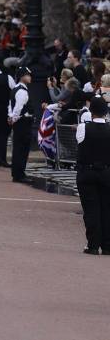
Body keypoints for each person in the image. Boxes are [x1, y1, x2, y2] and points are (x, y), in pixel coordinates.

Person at [76, 96, 110, 255]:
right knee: (107, 208)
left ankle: (93, 245)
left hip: (87, 171)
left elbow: (80, 143)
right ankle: (108, 245)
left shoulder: (83, 127)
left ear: (91, 111)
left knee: (91, 209)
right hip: (107, 172)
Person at [9, 66, 34, 183]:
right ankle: (19, 174)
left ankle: (17, 173)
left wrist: (11, 117)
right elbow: (18, 108)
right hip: (23, 122)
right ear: (21, 76)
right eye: (27, 75)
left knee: (18, 148)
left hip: (19, 122)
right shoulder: (22, 91)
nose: (30, 77)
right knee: (22, 149)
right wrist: (14, 118)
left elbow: (10, 105)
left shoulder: (16, 88)